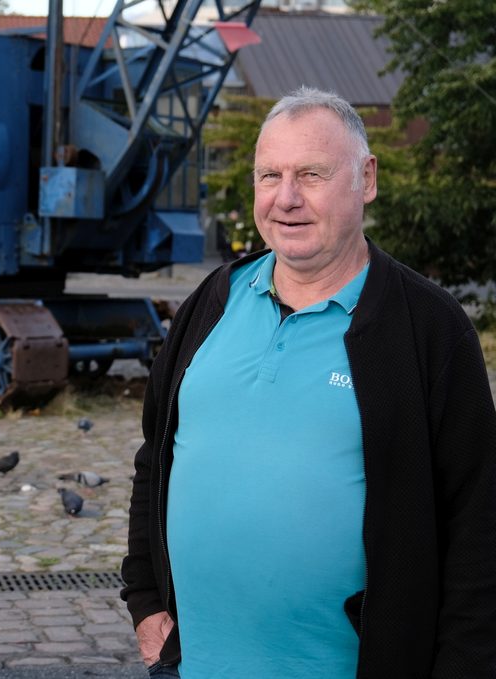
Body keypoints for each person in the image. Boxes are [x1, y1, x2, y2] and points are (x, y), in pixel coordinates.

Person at [122, 86, 496, 678]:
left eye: (312, 175)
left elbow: (478, 522)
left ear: (366, 179)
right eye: (269, 175)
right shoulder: (210, 303)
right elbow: (155, 455)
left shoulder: (426, 328)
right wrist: (144, 601)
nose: (286, 199)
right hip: (195, 664)